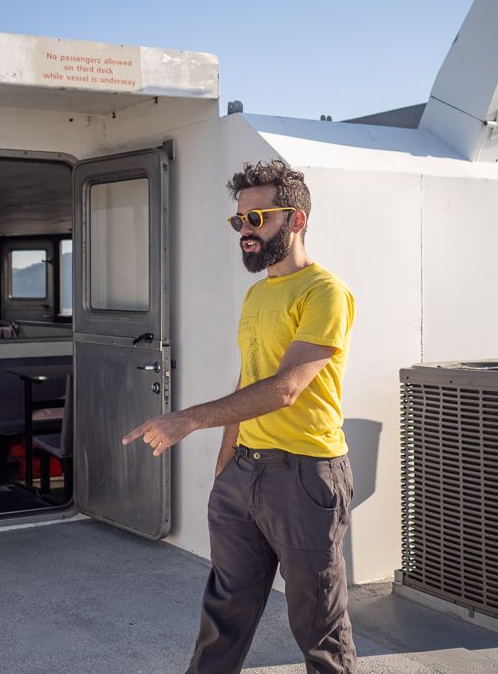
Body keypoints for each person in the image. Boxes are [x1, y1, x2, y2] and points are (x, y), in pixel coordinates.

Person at [123, 159, 357, 673]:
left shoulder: (324, 292)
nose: (245, 232)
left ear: (295, 220)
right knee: (224, 611)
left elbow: (286, 388)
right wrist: (228, 460)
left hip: (305, 476)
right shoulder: (257, 294)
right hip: (244, 475)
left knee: (318, 626)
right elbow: (248, 382)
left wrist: (187, 420)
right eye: (239, 221)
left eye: (258, 219)